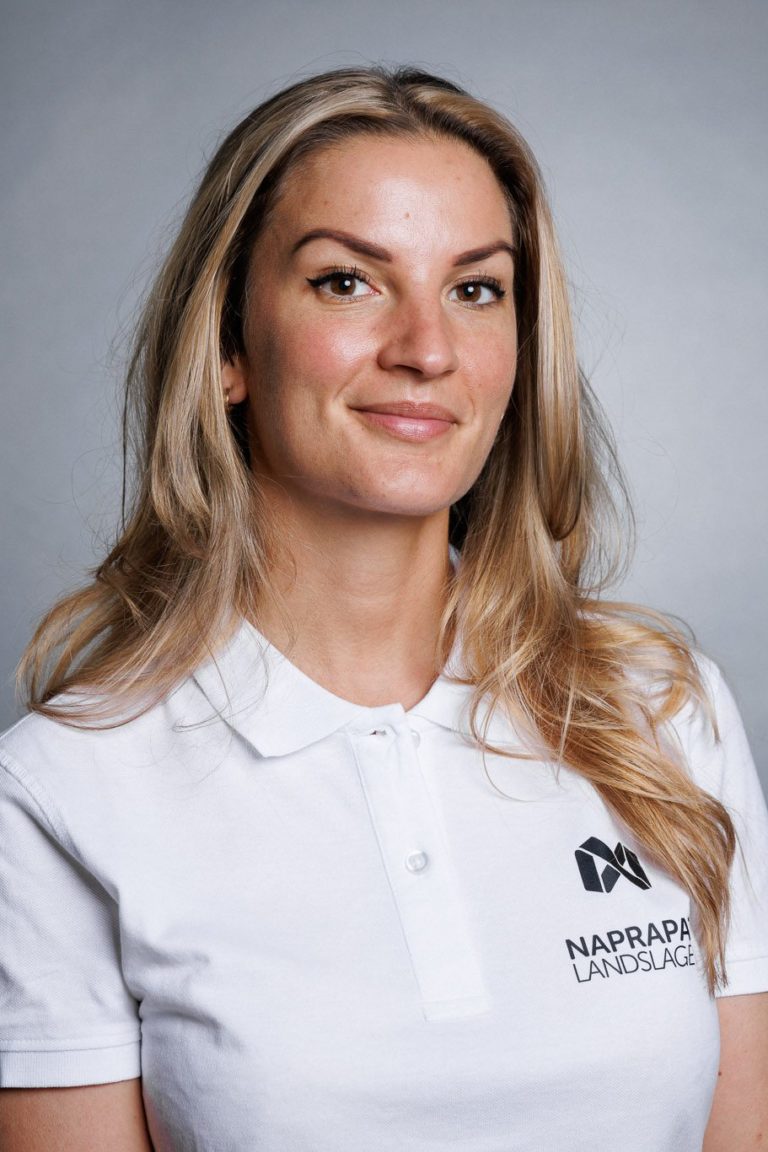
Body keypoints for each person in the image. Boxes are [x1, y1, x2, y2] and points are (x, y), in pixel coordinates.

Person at [0, 65, 766, 1152]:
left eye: (476, 290)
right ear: (227, 347)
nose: (427, 349)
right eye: (347, 282)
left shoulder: (663, 714)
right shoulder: (61, 790)